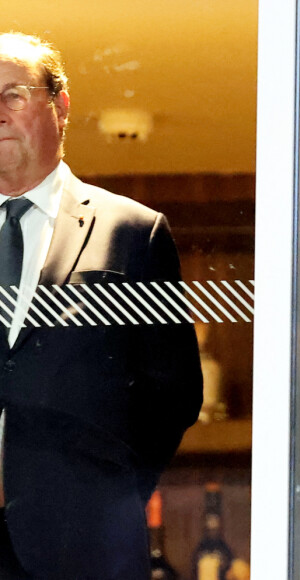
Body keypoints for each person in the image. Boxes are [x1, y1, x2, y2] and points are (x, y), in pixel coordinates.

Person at [0, 32, 203, 578]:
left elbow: (174, 393)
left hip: (84, 543)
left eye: (13, 94)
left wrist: (107, 497)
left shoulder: (133, 232)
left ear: (60, 106)